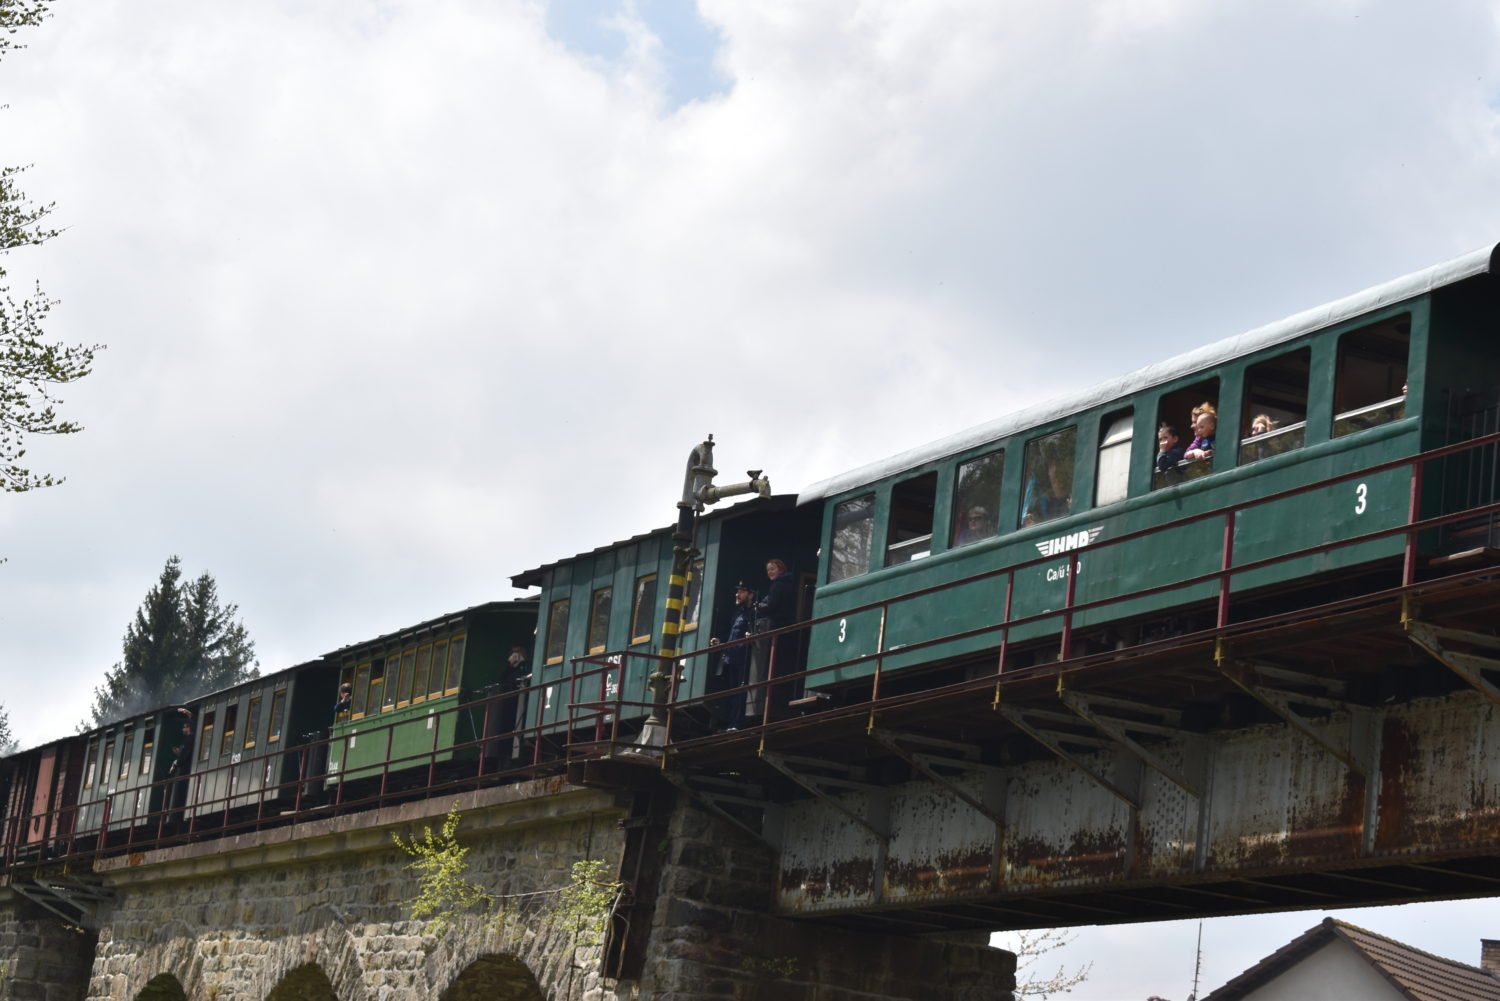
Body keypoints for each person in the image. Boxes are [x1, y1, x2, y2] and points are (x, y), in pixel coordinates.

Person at [750, 559, 797, 720]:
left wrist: (758, 606)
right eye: (768, 569)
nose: (770, 572)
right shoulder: (789, 583)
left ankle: (772, 710)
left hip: (777, 628)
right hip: (787, 628)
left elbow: (772, 605)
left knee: (772, 669)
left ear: (780, 569)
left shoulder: (778, 585)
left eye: (772, 569)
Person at [709, 582, 755, 729]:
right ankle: (732, 721)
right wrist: (721, 640)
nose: (737, 594)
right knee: (733, 690)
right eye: (737, 591)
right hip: (731, 657)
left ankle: (739, 722)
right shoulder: (737, 613)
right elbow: (731, 633)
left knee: (741, 690)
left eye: (742, 591)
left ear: (750, 594)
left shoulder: (752, 613)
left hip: (743, 657)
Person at [165, 707, 195, 829]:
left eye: (184, 727)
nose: (182, 729)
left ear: (188, 728)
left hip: (184, 772)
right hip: (183, 771)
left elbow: (184, 757)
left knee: (179, 797)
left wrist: (176, 762)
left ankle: (175, 821)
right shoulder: (187, 740)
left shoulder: (189, 739)